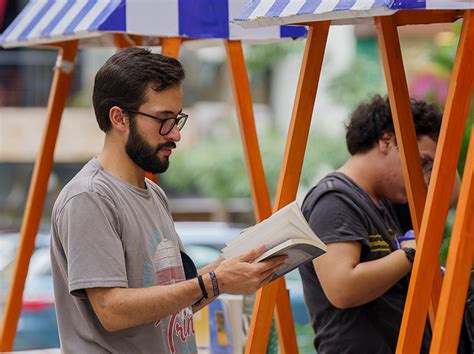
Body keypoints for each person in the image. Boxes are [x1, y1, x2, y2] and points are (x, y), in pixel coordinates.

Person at [50, 47, 286, 353]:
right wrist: (216, 281)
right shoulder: (89, 197)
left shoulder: (153, 193)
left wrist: (229, 267)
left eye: (177, 119)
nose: (175, 134)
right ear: (119, 118)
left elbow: (173, 303)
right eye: (163, 119)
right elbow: (112, 310)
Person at [299, 95, 460, 354]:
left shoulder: (384, 201)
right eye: (423, 163)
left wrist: (442, 151)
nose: (427, 177)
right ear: (387, 141)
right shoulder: (335, 200)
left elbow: (450, 197)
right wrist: (411, 252)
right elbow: (342, 287)